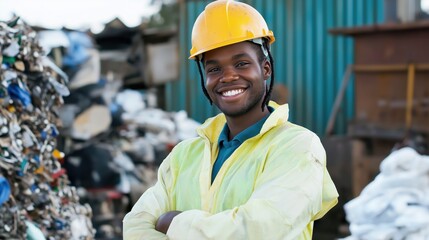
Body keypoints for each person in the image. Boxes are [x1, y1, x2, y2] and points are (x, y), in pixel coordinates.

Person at [123, 1, 338, 239]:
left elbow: (260, 230)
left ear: (265, 69)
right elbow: (135, 226)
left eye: (241, 64)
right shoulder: (183, 156)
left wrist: (174, 223)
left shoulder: (297, 146)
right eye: (214, 69)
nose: (228, 76)